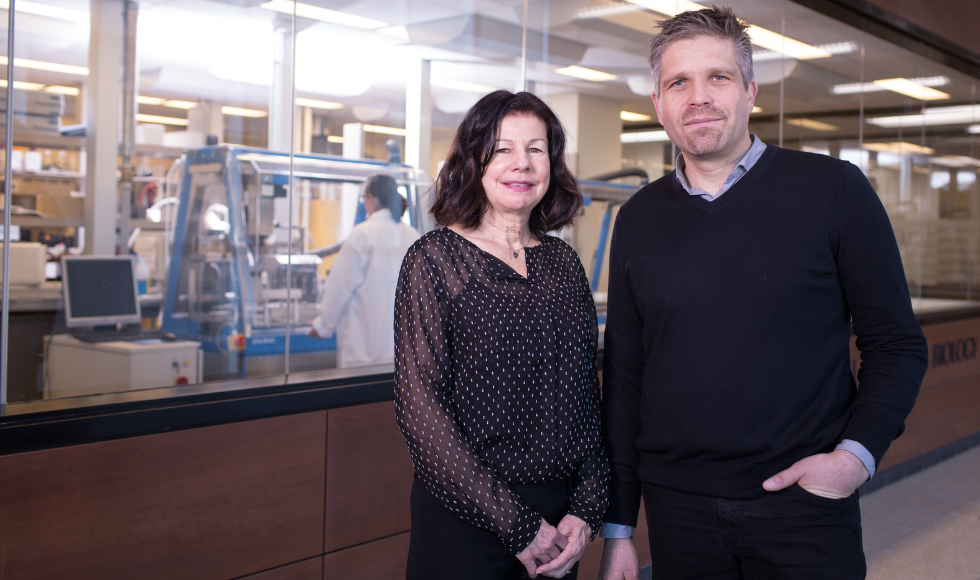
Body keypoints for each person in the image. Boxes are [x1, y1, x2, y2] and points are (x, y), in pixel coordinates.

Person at [598, 7, 928, 580]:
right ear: (659, 105)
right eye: (679, 82)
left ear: (751, 92)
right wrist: (620, 528)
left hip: (803, 506)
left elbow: (896, 343)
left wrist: (854, 459)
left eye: (717, 77)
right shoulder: (638, 218)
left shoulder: (833, 191)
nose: (697, 96)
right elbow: (626, 375)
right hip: (678, 513)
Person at [394, 90, 609, 580]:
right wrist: (517, 526)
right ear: (475, 160)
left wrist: (587, 510)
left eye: (536, 149)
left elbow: (584, 395)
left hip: (559, 524)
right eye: (503, 148)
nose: (522, 163)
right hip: (468, 518)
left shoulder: (563, 263)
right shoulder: (434, 259)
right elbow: (418, 406)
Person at [308, 173, 419, 368]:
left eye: (363, 198)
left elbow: (339, 289)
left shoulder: (362, 235)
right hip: (404, 357)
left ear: (371, 198)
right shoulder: (413, 236)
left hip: (363, 357)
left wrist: (322, 326)